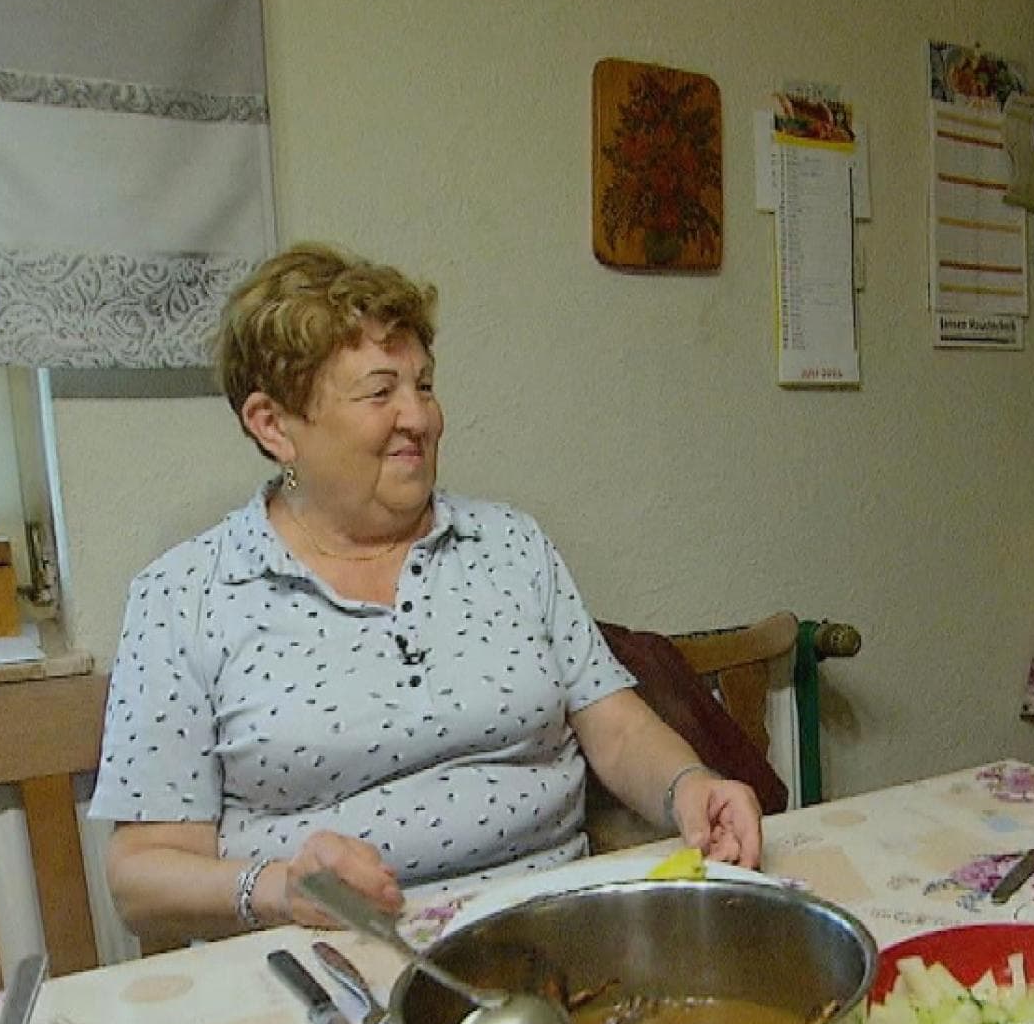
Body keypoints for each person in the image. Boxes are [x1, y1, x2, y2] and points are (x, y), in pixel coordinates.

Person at [92, 243, 763, 944]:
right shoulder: (186, 595)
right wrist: (282, 888)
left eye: (425, 386)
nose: (421, 418)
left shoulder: (511, 546)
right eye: (380, 392)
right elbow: (141, 875)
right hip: (327, 962)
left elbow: (617, 728)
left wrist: (691, 786)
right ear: (273, 425)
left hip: (552, 941)